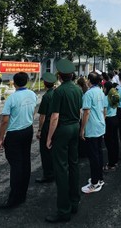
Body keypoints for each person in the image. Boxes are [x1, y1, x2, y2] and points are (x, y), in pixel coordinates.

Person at [46, 59, 83, 223]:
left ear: (60, 76)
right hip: (75, 126)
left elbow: (54, 117)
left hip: (63, 129)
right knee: (73, 164)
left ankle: (64, 210)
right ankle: (74, 202)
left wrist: (49, 137)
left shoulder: (59, 92)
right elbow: (80, 110)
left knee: (61, 169)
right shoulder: (78, 89)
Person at [0, 72, 38, 209]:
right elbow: (33, 111)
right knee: (25, 162)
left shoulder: (12, 98)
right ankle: (22, 194)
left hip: (14, 133)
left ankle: (14, 199)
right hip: (28, 129)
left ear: (14, 83)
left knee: (16, 165)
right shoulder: (32, 94)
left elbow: (5, 120)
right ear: (26, 81)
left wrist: (1, 138)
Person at [80, 72, 106, 194]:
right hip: (100, 125)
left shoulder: (88, 94)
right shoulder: (100, 91)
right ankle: (99, 178)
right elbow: (104, 109)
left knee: (94, 156)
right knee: (99, 154)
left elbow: (86, 112)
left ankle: (95, 182)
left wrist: (82, 129)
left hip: (92, 127)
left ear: (90, 80)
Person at [36, 72, 57, 183]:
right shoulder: (56, 93)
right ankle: (54, 171)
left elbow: (42, 116)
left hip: (47, 125)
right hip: (56, 125)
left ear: (44, 84)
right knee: (53, 149)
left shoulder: (46, 96)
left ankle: (48, 174)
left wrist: (39, 130)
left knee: (45, 151)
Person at [103, 81, 120, 171]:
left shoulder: (106, 98)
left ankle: (111, 164)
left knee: (109, 143)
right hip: (115, 118)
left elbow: (104, 113)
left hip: (108, 120)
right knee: (115, 141)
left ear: (106, 88)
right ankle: (115, 160)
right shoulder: (113, 97)